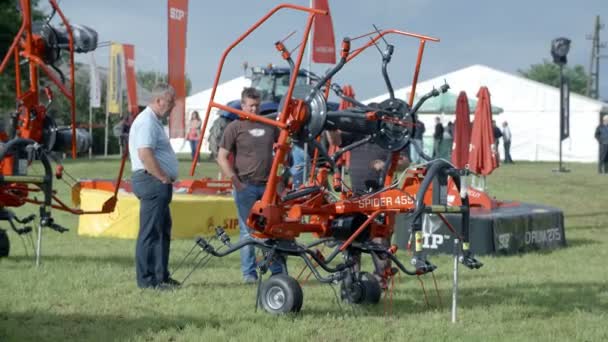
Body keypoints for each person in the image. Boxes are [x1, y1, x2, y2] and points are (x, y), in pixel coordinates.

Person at [217, 87, 285, 283]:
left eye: (257, 106)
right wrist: (236, 182)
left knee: (270, 229)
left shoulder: (269, 127)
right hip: (245, 186)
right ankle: (249, 274)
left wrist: (279, 184)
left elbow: (281, 155)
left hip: (268, 188)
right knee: (248, 230)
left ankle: (276, 271)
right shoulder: (234, 128)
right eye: (251, 106)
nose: (254, 109)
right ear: (243, 105)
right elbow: (221, 157)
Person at [326, 130, 409, 289]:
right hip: (357, 197)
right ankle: (352, 281)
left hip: (382, 197)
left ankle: (380, 281)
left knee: (379, 240)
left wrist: (387, 164)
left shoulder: (391, 136)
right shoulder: (357, 134)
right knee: (351, 238)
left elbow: (405, 162)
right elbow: (335, 141)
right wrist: (329, 127)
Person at [129, 83, 180, 290]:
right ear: (158, 101)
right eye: (169, 103)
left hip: (154, 181)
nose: (172, 107)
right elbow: (145, 154)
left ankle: (161, 276)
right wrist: (162, 177)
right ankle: (147, 281)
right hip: (152, 181)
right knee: (150, 232)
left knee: (161, 231)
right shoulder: (147, 122)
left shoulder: (153, 121)